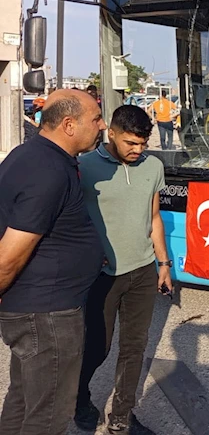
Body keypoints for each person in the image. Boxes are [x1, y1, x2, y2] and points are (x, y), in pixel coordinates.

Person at [0, 90, 106, 435]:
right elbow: (10, 254)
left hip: (35, 307)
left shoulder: (30, 155)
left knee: (25, 398)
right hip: (47, 315)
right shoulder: (47, 169)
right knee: (48, 416)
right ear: (69, 124)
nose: (102, 125)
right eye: (96, 119)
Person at [74, 105, 174, 434]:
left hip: (143, 271)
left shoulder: (153, 166)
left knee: (135, 347)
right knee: (96, 348)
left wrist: (163, 264)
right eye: (131, 143)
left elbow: (154, 218)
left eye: (143, 144)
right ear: (111, 133)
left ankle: (121, 416)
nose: (138, 150)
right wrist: (88, 253)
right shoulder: (84, 167)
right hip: (102, 277)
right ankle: (78, 399)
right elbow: (69, 221)